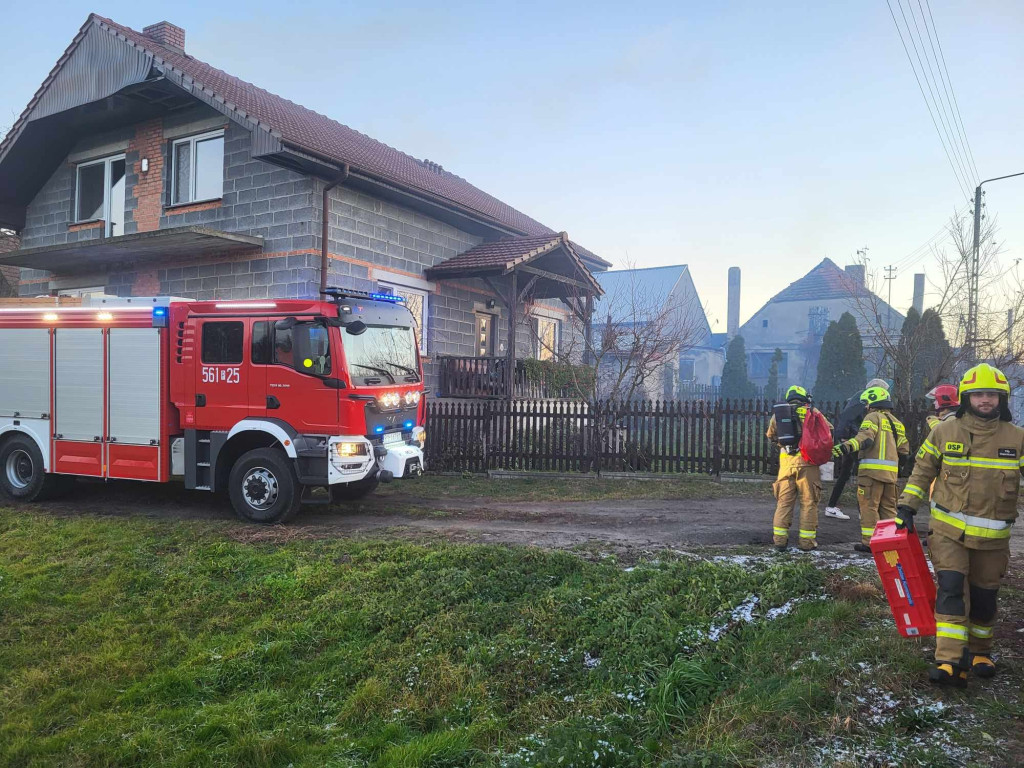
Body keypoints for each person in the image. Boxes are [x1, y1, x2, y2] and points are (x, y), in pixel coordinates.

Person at [896, 363, 1022, 687]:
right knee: (950, 589)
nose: (985, 400)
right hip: (948, 533)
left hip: (993, 541)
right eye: (978, 394)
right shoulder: (944, 432)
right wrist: (907, 506)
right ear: (966, 398)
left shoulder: (1017, 438)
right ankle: (949, 660)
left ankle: (981, 651)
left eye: (991, 395)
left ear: (1001, 399)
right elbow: (923, 471)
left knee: (984, 598)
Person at [833, 386, 910, 553]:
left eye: (867, 403)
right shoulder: (897, 423)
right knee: (889, 509)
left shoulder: (872, 417)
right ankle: (889, 541)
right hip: (891, 476)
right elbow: (904, 452)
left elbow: (864, 439)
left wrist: (846, 446)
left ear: (873, 403)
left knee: (869, 507)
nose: (866, 407)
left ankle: (870, 542)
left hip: (871, 474)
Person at [767, 385, 832, 552]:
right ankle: (806, 543)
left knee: (784, 503)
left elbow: (771, 435)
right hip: (808, 464)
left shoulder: (779, 414)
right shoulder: (813, 412)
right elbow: (829, 430)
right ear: (805, 398)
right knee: (809, 503)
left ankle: (780, 542)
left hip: (786, 465)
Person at [824, 377, 890, 520]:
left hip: (851, 439)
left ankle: (831, 506)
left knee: (846, 474)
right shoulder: (863, 400)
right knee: (863, 475)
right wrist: (845, 438)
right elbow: (847, 417)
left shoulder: (858, 398)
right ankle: (862, 511)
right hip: (854, 441)